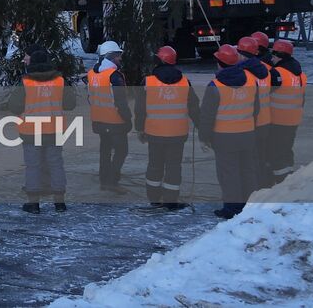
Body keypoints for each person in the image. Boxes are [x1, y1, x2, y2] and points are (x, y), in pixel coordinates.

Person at [7, 48, 77, 213]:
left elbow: (14, 106)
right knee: (56, 164)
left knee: (33, 166)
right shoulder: (60, 81)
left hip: (31, 131)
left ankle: (34, 203)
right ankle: (59, 202)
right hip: (54, 130)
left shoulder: (25, 82)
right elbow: (70, 104)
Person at [135, 45, 199, 210]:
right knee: (173, 167)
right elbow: (194, 107)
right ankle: (171, 200)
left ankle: (154, 198)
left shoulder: (148, 82)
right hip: (178, 134)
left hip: (154, 133)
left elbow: (140, 109)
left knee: (155, 165)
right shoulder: (185, 82)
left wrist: (140, 129)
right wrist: (201, 127)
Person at [200, 43, 259, 219]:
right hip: (247, 134)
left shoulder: (215, 86)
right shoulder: (250, 80)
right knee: (248, 170)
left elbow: (207, 116)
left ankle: (232, 209)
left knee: (229, 173)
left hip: (224, 137)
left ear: (219, 63)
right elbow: (256, 109)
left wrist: (204, 138)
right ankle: (250, 206)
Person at [87, 40, 133, 194]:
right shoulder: (114, 76)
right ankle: (112, 181)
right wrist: (128, 119)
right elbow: (120, 101)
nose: (120, 59)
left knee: (105, 151)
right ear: (111, 56)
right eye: (118, 56)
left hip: (99, 120)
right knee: (121, 151)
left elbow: (90, 98)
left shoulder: (92, 74)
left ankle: (104, 180)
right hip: (115, 122)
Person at [237, 33, 275, 189]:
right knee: (261, 156)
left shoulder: (244, 74)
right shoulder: (266, 70)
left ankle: (254, 190)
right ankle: (265, 186)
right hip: (265, 121)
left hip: (250, 122)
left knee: (249, 160)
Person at [268, 38, 307, 179]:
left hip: (278, 120)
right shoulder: (300, 74)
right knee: (286, 150)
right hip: (294, 119)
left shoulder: (277, 73)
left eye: (272, 55)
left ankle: (280, 181)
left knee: (276, 152)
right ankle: (289, 178)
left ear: (278, 55)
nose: (271, 58)